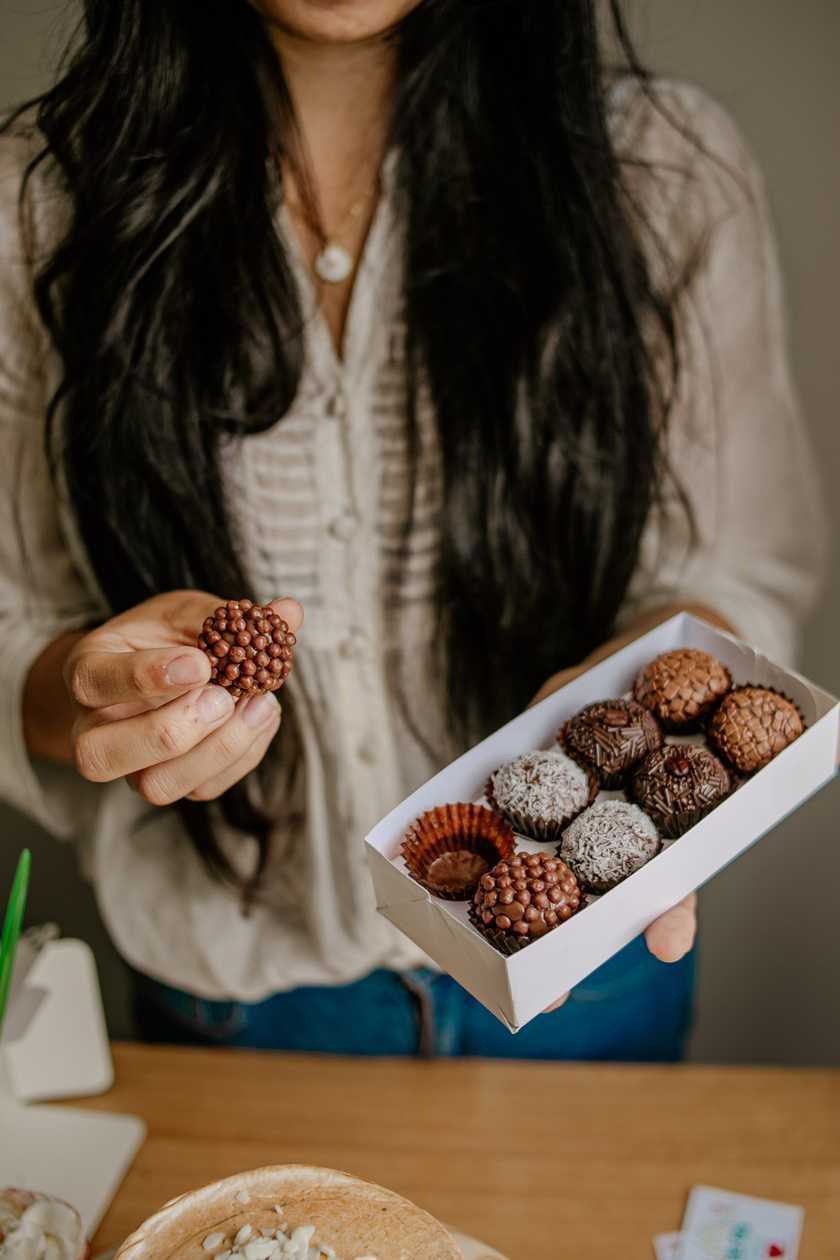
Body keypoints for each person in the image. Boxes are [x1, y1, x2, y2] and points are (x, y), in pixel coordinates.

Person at [0, 1, 825, 1059]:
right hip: (239, 999)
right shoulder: (36, 201)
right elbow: (20, 635)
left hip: (589, 968)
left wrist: (620, 699)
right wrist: (105, 690)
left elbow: (732, 566)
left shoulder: (661, 168)